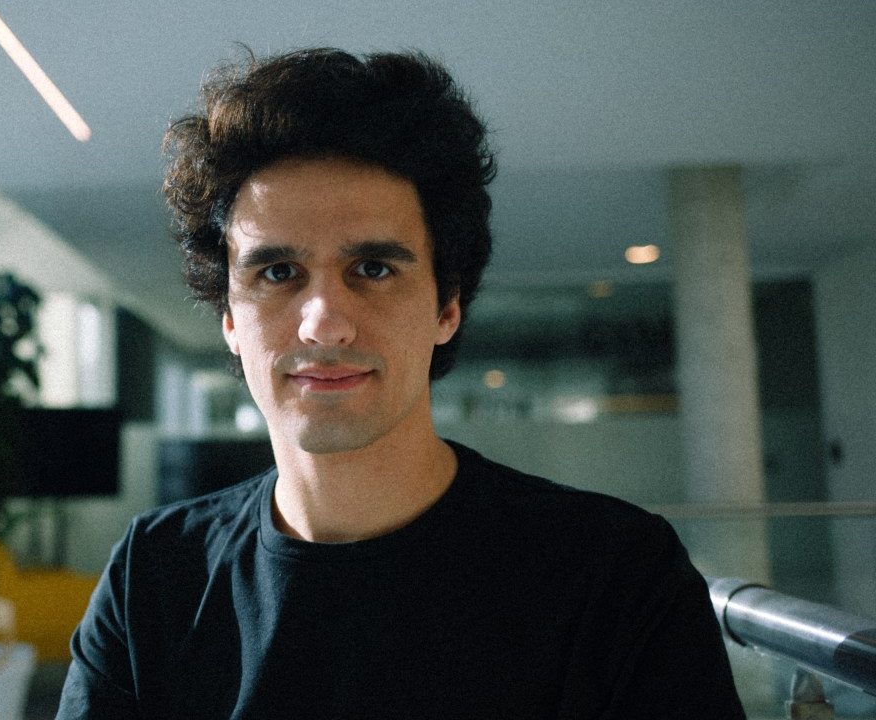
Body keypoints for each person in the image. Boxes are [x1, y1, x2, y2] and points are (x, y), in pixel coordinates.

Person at [56, 48, 745, 719]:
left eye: (374, 269)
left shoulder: (613, 578)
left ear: (448, 307)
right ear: (230, 319)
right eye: (277, 273)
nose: (324, 325)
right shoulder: (154, 577)